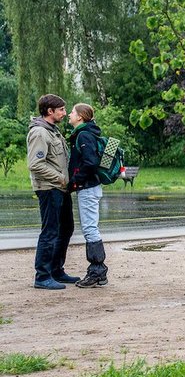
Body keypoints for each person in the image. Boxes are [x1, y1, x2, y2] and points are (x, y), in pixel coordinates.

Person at [28, 94, 75, 290]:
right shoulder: (40, 133)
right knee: (50, 232)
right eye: (62, 110)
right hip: (49, 188)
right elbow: (35, 164)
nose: (65, 113)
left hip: (60, 189)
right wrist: (61, 178)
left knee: (66, 228)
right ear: (50, 111)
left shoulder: (53, 131)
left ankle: (56, 270)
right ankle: (42, 276)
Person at [67, 103, 108, 288]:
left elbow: (90, 162)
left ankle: (97, 270)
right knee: (90, 227)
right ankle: (98, 271)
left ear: (81, 116)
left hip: (88, 187)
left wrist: (75, 180)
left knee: (90, 229)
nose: (69, 114)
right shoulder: (87, 133)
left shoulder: (84, 135)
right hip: (91, 187)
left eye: (73, 112)